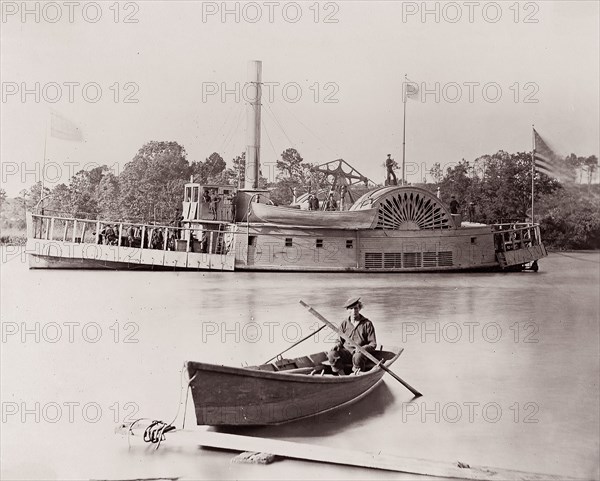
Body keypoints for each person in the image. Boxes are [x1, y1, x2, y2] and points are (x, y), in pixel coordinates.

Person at [327, 297, 377, 375]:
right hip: (346, 353)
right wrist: (337, 345)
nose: (354, 311)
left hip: (360, 354)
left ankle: (356, 375)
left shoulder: (367, 324)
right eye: (351, 309)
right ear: (347, 310)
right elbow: (339, 340)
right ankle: (342, 376)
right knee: (331, 354)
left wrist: (363, 348)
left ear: (359, 308)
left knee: (358, 356)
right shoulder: (344, 323)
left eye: (356, 308)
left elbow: (373, 344)